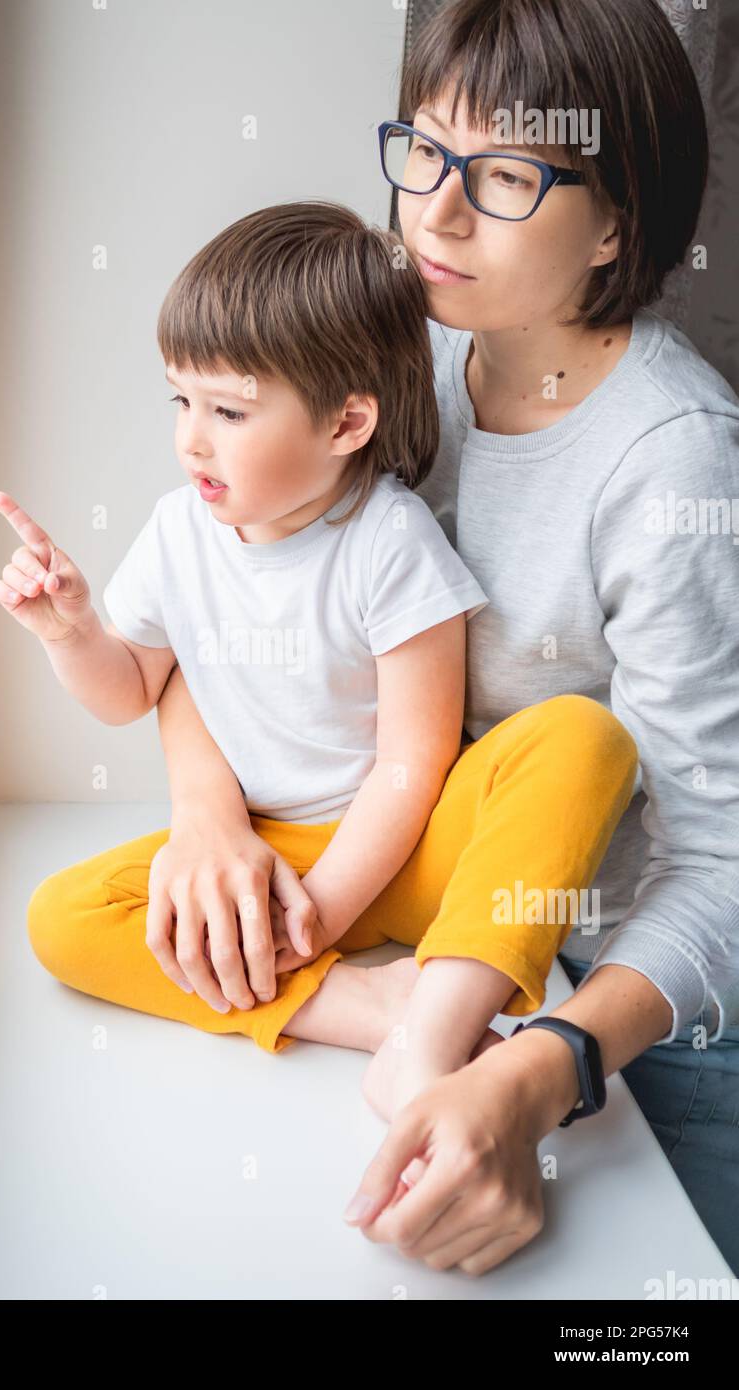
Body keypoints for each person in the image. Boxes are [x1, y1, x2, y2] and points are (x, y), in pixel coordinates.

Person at [141, 0, 739, 1276]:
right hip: (423, 912)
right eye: (424, 150)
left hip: (632, 1006)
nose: (436, 216)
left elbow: (721, 864)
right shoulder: (395, 341)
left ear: (617, 223)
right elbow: (217, 589)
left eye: (507, 177)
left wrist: (544, 1065)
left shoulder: (673, 465)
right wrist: (206, 815)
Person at [0, 199, 638, 1117]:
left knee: (581, 737)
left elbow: (414, 762)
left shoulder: (390, 540)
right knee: (64, 919)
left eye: (229, 410)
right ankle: (374, 1011)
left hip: (409, 849)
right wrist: (68, 633)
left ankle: (449, 998)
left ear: (345, 425)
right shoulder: (178, 531)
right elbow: (129, 691)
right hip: (262, 853)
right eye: (181, 400)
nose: (191, 438)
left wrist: (322, 912)